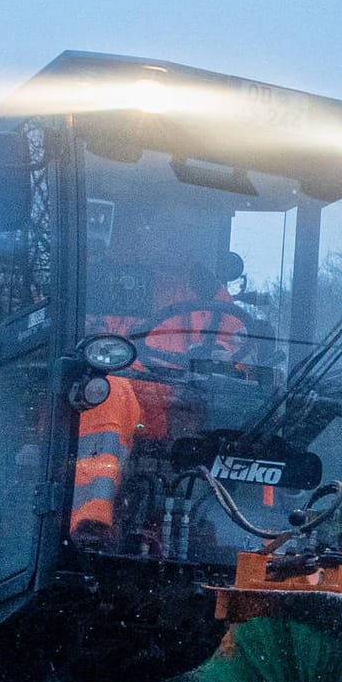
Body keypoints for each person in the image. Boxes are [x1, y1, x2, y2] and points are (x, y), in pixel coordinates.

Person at [71, 206, 248, 547]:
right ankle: (90, 523)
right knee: (107, 390)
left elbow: (238, 343)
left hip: (183, 404)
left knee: (252, 415)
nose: (170, 236)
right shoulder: (106, 281)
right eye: (157, 224)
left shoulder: (206, 291)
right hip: (129, 401)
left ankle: (252, 542)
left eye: (181, 227)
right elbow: (80, 338)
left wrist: (229, 358)